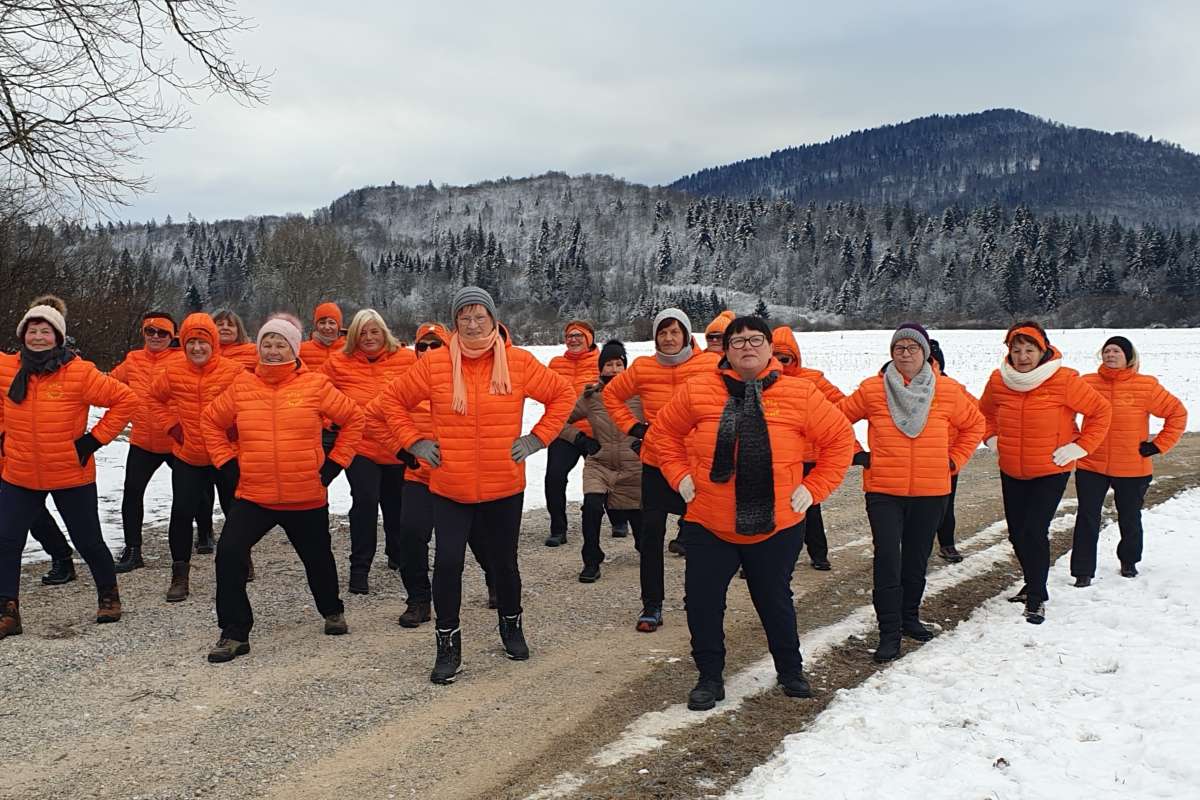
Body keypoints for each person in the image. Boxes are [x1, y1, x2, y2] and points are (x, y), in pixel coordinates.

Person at [369, 287, 574, 684]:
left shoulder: (518, 362)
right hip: (451, 486)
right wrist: (414, 442)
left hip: (503, 485)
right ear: (455, 323)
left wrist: (537, 438)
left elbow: (563, 394)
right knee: (448, 564)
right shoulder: (435, 365)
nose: (473, 324)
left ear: (494, 320)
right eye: (465, 317)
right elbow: (390, 402)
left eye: (480, 316)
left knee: (504, 563)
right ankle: (447, 644)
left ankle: (511, 626)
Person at [653, 316, 854, 710]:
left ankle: (790, 669)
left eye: (755, 339)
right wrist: (679, 476)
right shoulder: (698, 389)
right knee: (703, 602)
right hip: (709, 521)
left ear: (769, 347)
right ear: (726, 350)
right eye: (738, 341)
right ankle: (709, 677)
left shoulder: (800, 393)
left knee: (774, 598)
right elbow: (664, 433)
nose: (747, 346)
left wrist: (814, 488)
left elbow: (839, 440)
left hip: (777, 522)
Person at [200, 317, 364, 662]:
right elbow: (211, 421)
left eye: (281, 344)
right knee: (229, 554)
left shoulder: (315, 385)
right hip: (254, 495)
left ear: (294, 349)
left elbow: (354, 419)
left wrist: (334, 465)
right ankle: (234, 632)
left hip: (305, 494)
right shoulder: (242, 385)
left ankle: (332, 610)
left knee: (317, 558)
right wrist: (227, 464)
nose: (273, 351)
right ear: (259, 347)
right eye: (267, 344)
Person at [838, 324, 985, 662]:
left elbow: (975, 424)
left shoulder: (947, 390)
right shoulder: (873, 389)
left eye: (912, 347)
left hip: (931, 490)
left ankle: (909, 618)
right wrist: (857, 454)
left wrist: (954, 459)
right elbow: (835, 419)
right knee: (888, 558)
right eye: (899, 347)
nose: (905, 353)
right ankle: (888, 632)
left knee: (917, 559)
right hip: (884, 490)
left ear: (925, 352)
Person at [0, 295, 138, 639]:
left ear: (58, 337)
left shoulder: (79, 372)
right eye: (32, 330)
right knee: (6, 540)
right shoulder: (6, 369)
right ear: (22, 334)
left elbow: (126, 399)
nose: (37, 337)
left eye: (45, 331)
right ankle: (8, 612)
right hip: (19, 473)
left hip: (70, 473)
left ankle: (108, 595)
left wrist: (93, 441)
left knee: (88, 540)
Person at [980, 321, 1112, 625]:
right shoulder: (999, 380)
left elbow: (1100, 412)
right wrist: (991, 437)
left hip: (1051, 468)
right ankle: (1032, 581)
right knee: (1017, 533)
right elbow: (983, 413)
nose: (1023, 357)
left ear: (1043, 351)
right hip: (1011, 468)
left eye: (1029, 350)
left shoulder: (1063, 380)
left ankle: (1037, 597)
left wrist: (1080, 447)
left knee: (1034, 530)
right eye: (1016, 350)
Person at [367, 322, 495, 627]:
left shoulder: (463, 379)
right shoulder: (407, 383)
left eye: (435, 344)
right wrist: (402, 451)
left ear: (448, 347)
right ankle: (419, 601)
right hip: (421, 476)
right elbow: (372, 416)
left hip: (462, 477)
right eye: (421, 346)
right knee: (411, 536)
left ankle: (496, 583)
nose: (427, 351)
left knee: (480, 537)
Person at [603, 308, 721, 632]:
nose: (668, 338)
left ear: (686, 335)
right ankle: (652, 604)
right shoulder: (643, 367)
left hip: (697, 464)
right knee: (651, 534)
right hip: (656, 461)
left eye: (675, 332)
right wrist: (634, 428)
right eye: (662, 332)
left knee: (699, 536)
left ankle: (698, 598)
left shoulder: (709, 364)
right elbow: (611, 395)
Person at [1070, 336, 1187, 584]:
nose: (1110, 355)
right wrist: (1075, 440)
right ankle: (1082, 571)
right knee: (1087, 517)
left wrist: (1158, 445)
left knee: (1130, 517)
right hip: (1092, 464)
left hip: (1132, 465)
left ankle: (1129, 561)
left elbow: (1177, 413)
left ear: (1128, 357)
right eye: (1107, 351)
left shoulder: (1146, 386)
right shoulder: (1087, 383)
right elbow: (1064, 411)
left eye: (1117, 351)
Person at [146, 313, 246, 601]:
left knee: (235, 511)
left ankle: (241, 560)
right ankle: (180, 575)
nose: (197, 348)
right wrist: (172, 426)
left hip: (225, 454)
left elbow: (252, 401)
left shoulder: (234, 371)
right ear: (183, 344)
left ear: (213, 343)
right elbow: (153, 398)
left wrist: (236, 427)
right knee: (181, 513)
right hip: (189, 455)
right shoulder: (173, 371)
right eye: (191, 342)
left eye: (203, 342)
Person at [322, 309, 415, 594]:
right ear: (353, 336)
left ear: (384, 332)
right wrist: (331, 420)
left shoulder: (406, 359)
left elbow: (423, 395)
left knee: (396, 504)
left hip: (396, 445)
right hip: (359, 445)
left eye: (374, 331)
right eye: (362, 332)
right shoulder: (338, 362)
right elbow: (317, 394)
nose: (369, 337)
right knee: (365, 500)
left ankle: (398, 555)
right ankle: (359, 568)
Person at [561, 340, 645, 582]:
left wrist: (646, 440)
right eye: (609, 364)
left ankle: (643, 546)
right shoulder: (591, 397)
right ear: (601, 368)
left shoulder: (639, 395)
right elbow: (558, 420)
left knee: (640, 525)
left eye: (619, 364)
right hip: (600, 463)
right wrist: (581, 439)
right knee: (592, 508)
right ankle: (591, 560)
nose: (614, 369)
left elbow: (665, 419)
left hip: (633, 465)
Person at [109, 311, 181, 571]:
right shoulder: (133, 359)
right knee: (132, 493)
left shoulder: (183, 359)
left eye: (162, 332)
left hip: (175, 440)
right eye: (150, 331)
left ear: (172, 335)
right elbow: (108, 384)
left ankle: (203, 534)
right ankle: (133, 550)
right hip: (142, 441)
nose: (155, 336)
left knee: (191, 494)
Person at [771, 326, 847, 571]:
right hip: (777, 457)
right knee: (773, 507)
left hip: (808, 457)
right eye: (775, 357)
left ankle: (818, 553)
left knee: (810, 508)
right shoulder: (763, 381)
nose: (780, 364)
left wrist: (819, 424)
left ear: (795, 358)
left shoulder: (812, 380)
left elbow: (843, 407)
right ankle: (765, 557)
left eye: (785, 359)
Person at [544, 320, 602, 547]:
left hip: (595, 432)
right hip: (564, 432)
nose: (573, 339)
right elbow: (548, 395)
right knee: (554, 477)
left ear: (589, 339)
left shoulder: (602, 362)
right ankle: (558, 528)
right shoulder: (555, 364)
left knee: (606, 478)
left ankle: (619, 519)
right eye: (569, 336)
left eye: (579, 335)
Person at [928, 338, 977, 564]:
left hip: (947, 460)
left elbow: (977, 416)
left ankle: (947, 544)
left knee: (946, 505)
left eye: (932, 361)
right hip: (915, 459)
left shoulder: (953, 388)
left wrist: (956, 454)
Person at [299, 301, 345, 372]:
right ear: (316, 325)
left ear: (339, 326)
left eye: (331, 323)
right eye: (322, 323)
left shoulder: (349, 349)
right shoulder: (301, 349)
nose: (327, 327)